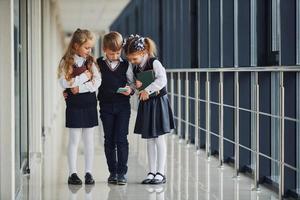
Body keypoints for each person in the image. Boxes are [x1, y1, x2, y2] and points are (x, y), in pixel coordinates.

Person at [123, 34, 175, 184]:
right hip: (146, 104)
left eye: (134, 58)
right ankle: (151, 171)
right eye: (130, 59)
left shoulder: (155, 62)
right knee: (149, 139)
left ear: (143, 52)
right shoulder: (133, 66)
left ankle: (161, 172)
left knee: (159, 138)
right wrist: (132, 88)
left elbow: (162, 80)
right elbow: (132, 82)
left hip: (158, 102)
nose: (132, 62)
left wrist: (147, 90)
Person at [57, 28, 101, 185]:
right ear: (76, 46)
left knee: (89, 141)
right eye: (86, 47)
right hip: (74, 106)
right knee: (74, 139)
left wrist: (78, 87)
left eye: (90, 48)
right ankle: (72, 174)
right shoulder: (66, 61)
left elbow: (97, 82)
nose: (89, 51)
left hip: (89, 103)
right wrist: (83, 77)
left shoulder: (90, 62)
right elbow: (64, 82)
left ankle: (88, 173)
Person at [97, 31, 134, 185]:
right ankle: (112, 172)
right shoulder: (98, 64)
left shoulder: (126, 65)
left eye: (118, 53)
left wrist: (130, 90)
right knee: (109, 140)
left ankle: (122, 173)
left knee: (121, 139)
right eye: (112, 53)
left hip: (123, 107)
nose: (115, 56)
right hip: (105, 107)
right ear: (104, 49)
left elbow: (132, 83)